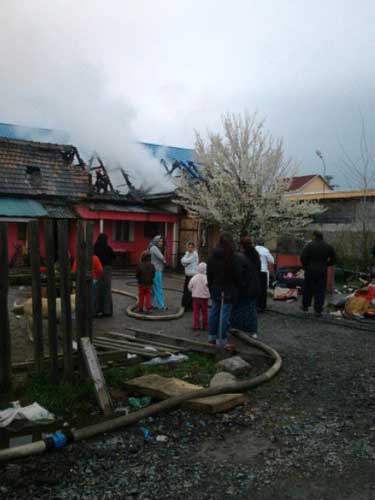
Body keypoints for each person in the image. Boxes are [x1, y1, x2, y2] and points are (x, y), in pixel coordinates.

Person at [207, 233, 242, 349]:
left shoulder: (212, 256)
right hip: (229, 289)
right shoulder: (233, 258)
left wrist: (211, 287)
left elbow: (209, 275)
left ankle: (211, 338)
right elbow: (238, 276)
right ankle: (221, 341)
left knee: (214, 312)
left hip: (216, 288)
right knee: (224, 315)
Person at [300, 230, 336, 317]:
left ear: (314, 236)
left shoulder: (309, 246)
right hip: (322, 271)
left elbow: (303, 258)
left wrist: (306, 266)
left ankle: (305, 306)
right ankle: (318, 309)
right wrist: (326, 264)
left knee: (308, 288)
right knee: (320, 290)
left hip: (310, 270)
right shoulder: (328, 247)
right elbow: (334, 259)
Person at [231, 236, 260, 338]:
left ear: (242, 246)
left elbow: (239, 274)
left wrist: (240, 285)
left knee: (241, 307)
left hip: (246, 286)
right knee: (251, 308)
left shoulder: (241, 257)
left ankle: (239, 328)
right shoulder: (255, 255)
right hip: (254, 285)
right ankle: (252, 331)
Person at [94, 233, 116, 317]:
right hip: (107, 270)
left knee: (98, 290)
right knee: (107, 290)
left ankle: (97, 310)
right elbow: (114, 257)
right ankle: (107, 311)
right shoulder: (108, 248)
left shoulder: (95, 247)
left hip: (97, 269)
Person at [188, 262, 210, 330]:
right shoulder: (207, 278)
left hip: (195, 297)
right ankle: (205, 325)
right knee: (205, 312)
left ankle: (196, 325)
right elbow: (209, 287)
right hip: (204, 298)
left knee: (196, 312)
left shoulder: (194, 277)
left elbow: (189, 286)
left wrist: (193, 291)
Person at [255, 239, 275, 312]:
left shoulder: (253, 249)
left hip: (255, 271)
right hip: (263, 271)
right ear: (263, 244)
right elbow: (272, 260)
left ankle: (255, 305)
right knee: (263, 290)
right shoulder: (265, 250)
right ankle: (262, 306)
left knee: (255, 288)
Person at [149, 235, 167, 310]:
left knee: (153, 289)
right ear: (155, 241)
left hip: (155, 270)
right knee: (158, 288)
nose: (161, 243)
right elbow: (162, 257)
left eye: (162, 241)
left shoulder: (154, 248)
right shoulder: (154, 248)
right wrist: (164, 260)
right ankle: (161, 306)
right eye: (159, 241)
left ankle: (149, 304)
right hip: (157, 271)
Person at [181, 241, 199, 311]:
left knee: (190, 291)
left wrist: (184, 261)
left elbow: (186, 261)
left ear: (193, 248)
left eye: (191, 247)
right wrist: (184, 261)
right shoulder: (187, 253)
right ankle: (186, 305)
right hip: (187, 275)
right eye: (189, 247)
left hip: (192, 275)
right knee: (186, 290)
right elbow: (182, 261)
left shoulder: (194, 254)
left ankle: (189, 306)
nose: (190, 248)